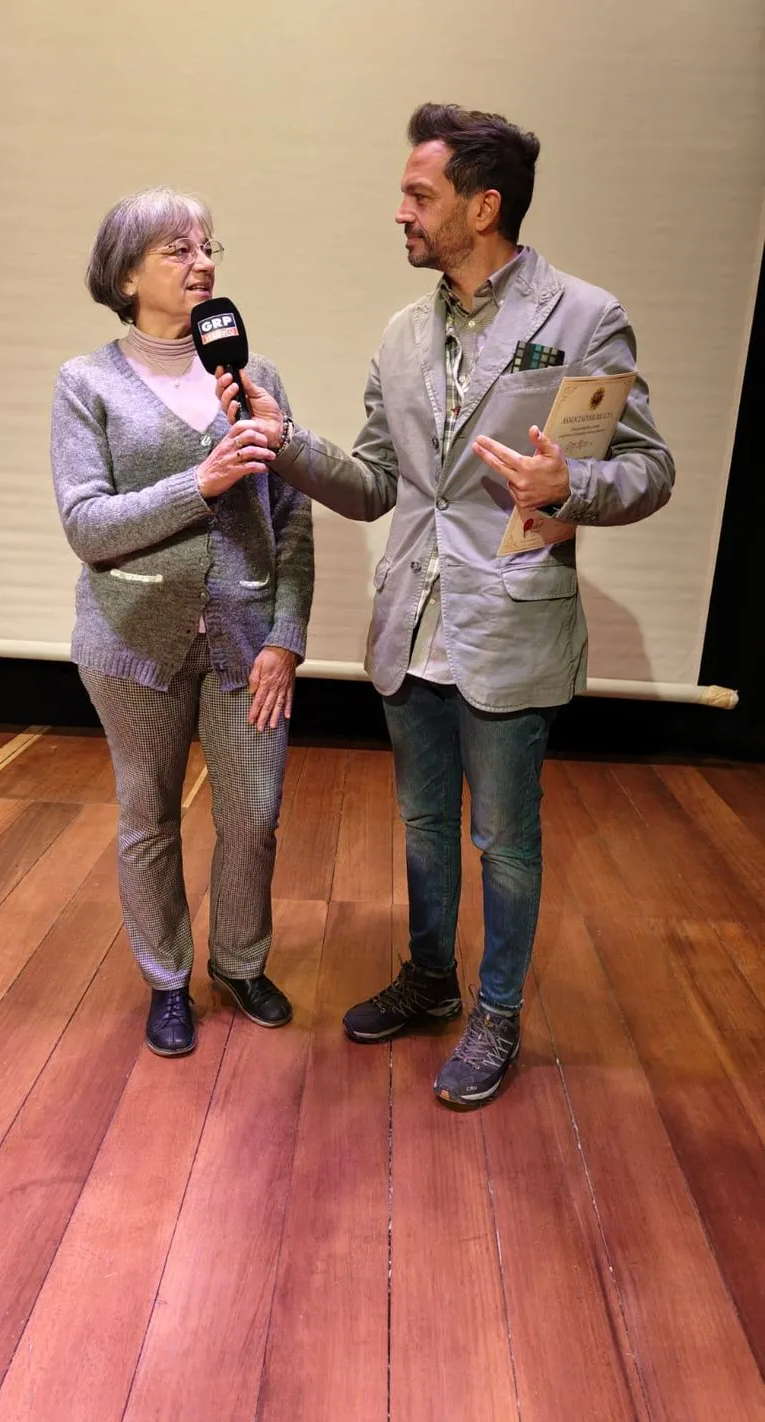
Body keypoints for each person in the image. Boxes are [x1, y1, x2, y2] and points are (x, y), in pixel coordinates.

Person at [217, 104, 674, 1108]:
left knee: (503, 841)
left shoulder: (581, 318)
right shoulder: (400, 335)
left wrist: (571, 487)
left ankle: (497, 1015)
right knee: (424, 824)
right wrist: (284, 441)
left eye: (418, 196)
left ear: (483, 206)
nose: (401, 213)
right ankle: (430, 979)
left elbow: (649, 468)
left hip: (509, 623)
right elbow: (377, 483)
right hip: (410, 624)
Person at [51, 188, 313, 1057]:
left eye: (208, 248)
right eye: (178, 249)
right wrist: (198, 484)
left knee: (255, 816)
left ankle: (239, 963)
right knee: (148, 818)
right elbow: (87, 526)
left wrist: (286, 636)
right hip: (131, 643)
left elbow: (293, 521)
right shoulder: (86, 383)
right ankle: (167, 979)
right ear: (127, 276)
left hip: (246, 643)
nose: (203, 263)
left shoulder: (254, 374)